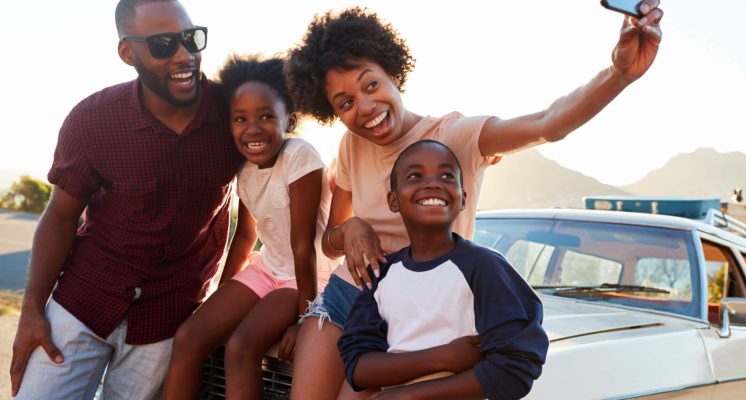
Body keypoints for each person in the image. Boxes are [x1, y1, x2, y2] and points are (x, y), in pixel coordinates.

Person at [284, 3, 662, 398]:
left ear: (393, 73)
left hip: (416, 317)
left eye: (371, 85)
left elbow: (548, 123)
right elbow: (330, 237)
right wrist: (354, 229)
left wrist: (619, 74)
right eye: (344, 103)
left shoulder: (451, 137)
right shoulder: (351, 144)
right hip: (347, 297)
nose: (364, 107)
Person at [9, 0, 243, 398]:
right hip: (83, 301)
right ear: (127, 52)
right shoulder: (92, 120)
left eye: (191, 38)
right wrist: (32, 311)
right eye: (164, 44)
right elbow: (60, 217)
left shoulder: (235, 115)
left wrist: (224, 301)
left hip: (168, 316)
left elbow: (256, 211)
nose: (185, 55)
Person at [162, 55, 336, 400]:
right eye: (240, 118)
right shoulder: (243, 166)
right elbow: (245, 235)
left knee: (241, 347)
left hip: (309, 277)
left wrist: (305, 320)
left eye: (266, 116)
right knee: (188, 337)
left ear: (290, 120)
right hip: (267, 269)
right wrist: (223, 295)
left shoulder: (300, 156)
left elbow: (303, 245)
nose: (252, 128)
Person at [338, 140, 548, 399]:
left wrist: (406, 396)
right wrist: (443, 357)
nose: (433, 183)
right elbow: (357, 367)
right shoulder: (382, 275)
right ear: (393, 200)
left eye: (447, 176)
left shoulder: (484, 267)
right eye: (415, 175)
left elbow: (516, 368)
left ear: (463, 198)